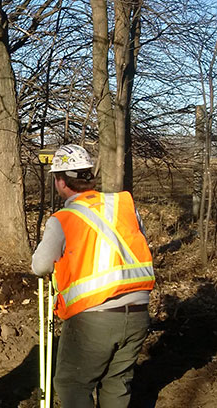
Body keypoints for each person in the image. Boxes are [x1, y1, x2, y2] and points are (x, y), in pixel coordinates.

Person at [31, 144, 155, 408]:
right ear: (89, 176)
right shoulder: (123, 207)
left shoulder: (63, 218)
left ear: (61, 181)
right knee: (116, 384)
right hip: (138, 313)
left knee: (72, 384)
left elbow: (40, 266)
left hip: (94, 319)